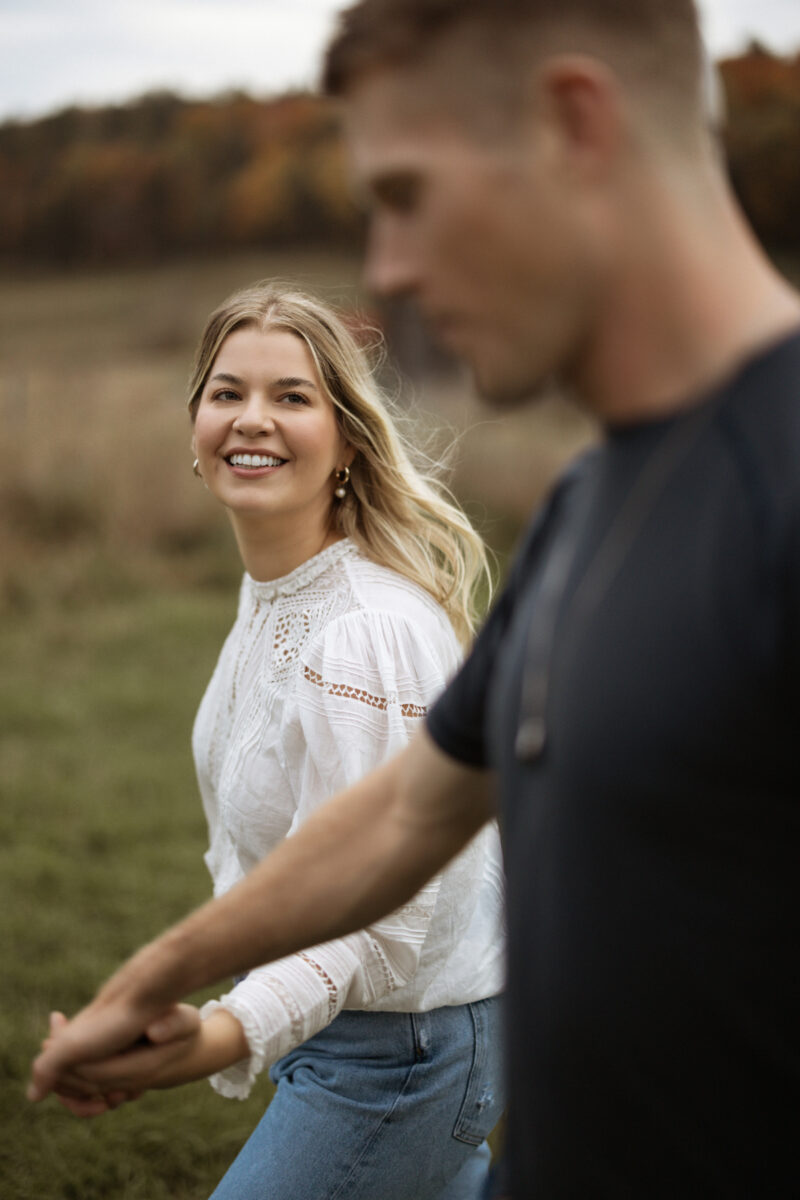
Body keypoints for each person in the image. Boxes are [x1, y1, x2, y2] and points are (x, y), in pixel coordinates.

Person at [30, 1, 800, 1195]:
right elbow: (402, 817)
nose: (387, 268)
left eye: (405, 193)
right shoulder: (586, 505)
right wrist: (155, 983)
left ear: (574, 124)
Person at [44, 280, 506, 1200]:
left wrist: (215, 1035)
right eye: (228, 392)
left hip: (402, 1058)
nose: (251, 418)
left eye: (291, 396)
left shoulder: (362, 634)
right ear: (196, 425)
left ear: (347, 438)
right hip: (359, 1033)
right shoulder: (280, 592)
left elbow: (375, 915)